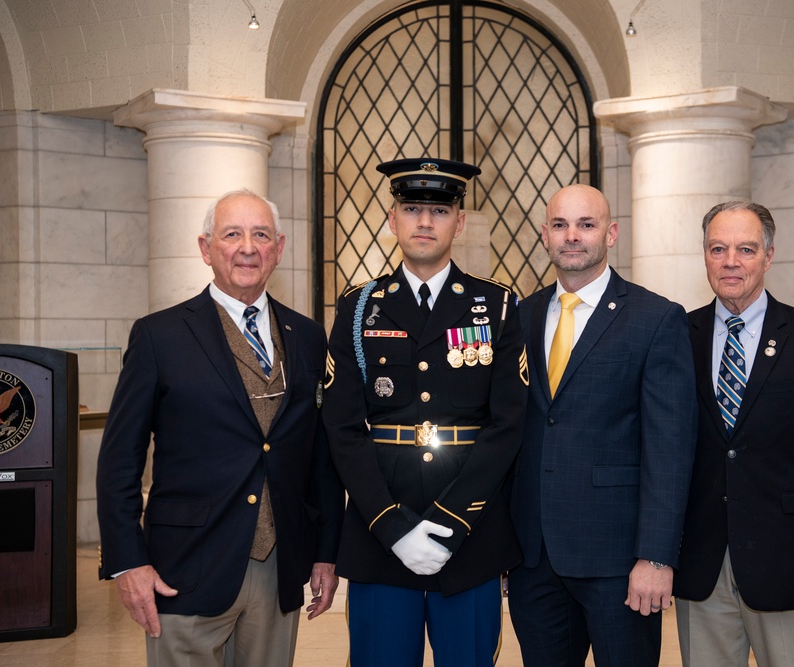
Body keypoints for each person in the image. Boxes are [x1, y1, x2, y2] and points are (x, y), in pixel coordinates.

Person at [95, 189, 344, 667]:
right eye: (232, 234)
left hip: (279, 567)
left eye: (261, 235)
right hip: (185, 565)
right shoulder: (158, 336)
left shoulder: (309, 336)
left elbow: (321, 457)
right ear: (206, 248)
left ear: (280, 247)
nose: (247, 247)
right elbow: (118, 461)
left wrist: (325, 553)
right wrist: (128, 560)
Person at [322, 158, 528, 667]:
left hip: (471, 539)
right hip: (379, 540)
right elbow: (342, 427)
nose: (424, 222)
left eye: (439, 210)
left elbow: (507, 426)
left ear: (459, 222)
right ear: (392, 219)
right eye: (411, 208)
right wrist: (392, 526)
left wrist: (451, 523)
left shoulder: (496, 305)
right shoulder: (358, 307)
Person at [507, 183, 698, 666]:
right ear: (544, 235)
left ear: (611, 234)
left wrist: (656, 558)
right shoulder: (519, 317)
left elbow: (669, 450)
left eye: (586, 225)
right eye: (560, 225)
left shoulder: (655, 319)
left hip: (620, 562)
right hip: (535, 560)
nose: (572, 236)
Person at [673, 200, 794, 667]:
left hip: (790, 565)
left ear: (769, 255)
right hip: (701, 565)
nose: (731, 262)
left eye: (746, 249)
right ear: (704, 255)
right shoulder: (678, 335)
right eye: (718, 249)